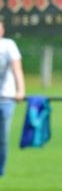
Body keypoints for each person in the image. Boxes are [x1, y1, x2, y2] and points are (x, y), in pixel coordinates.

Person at [0, 21, 26, 177]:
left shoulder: (9, 45)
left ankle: (0, 170)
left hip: (6, 98)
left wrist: (20, 90)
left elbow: (17, 69)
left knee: (2, 138)